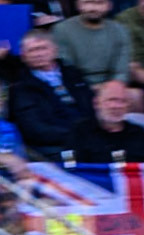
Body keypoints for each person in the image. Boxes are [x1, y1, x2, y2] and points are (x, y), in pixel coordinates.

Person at [9, 30, 96, 159]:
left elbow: (93, 106)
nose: (38, 54)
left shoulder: (73, 74)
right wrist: (79, 134)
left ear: (55, 50)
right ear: (23, 56)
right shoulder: (19, 87)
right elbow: (35, 130)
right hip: (57, 147)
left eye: (42, 48)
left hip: (93, 137)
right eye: (32, 50)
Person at [73, 79, 144, 163]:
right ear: (96, 103)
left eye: (122, 101)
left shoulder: (140, 133)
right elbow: (68, 169)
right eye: (111, 100)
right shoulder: (79, 132)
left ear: (128, 106)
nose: (116, 106)